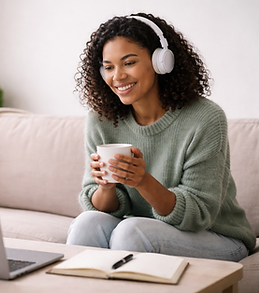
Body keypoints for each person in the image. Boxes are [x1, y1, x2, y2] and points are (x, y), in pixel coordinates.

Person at [66, 12, 255, 262]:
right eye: (109, 67)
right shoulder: (101, 119)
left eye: (129, 62)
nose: (117, 76)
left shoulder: (205, 118)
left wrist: (142, 180)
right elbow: (102, 206)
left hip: (216, 236)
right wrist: (105, 186)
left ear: (160, 61)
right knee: (86, 223)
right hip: (146, 232)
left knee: (131, 232)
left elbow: (198, 214)